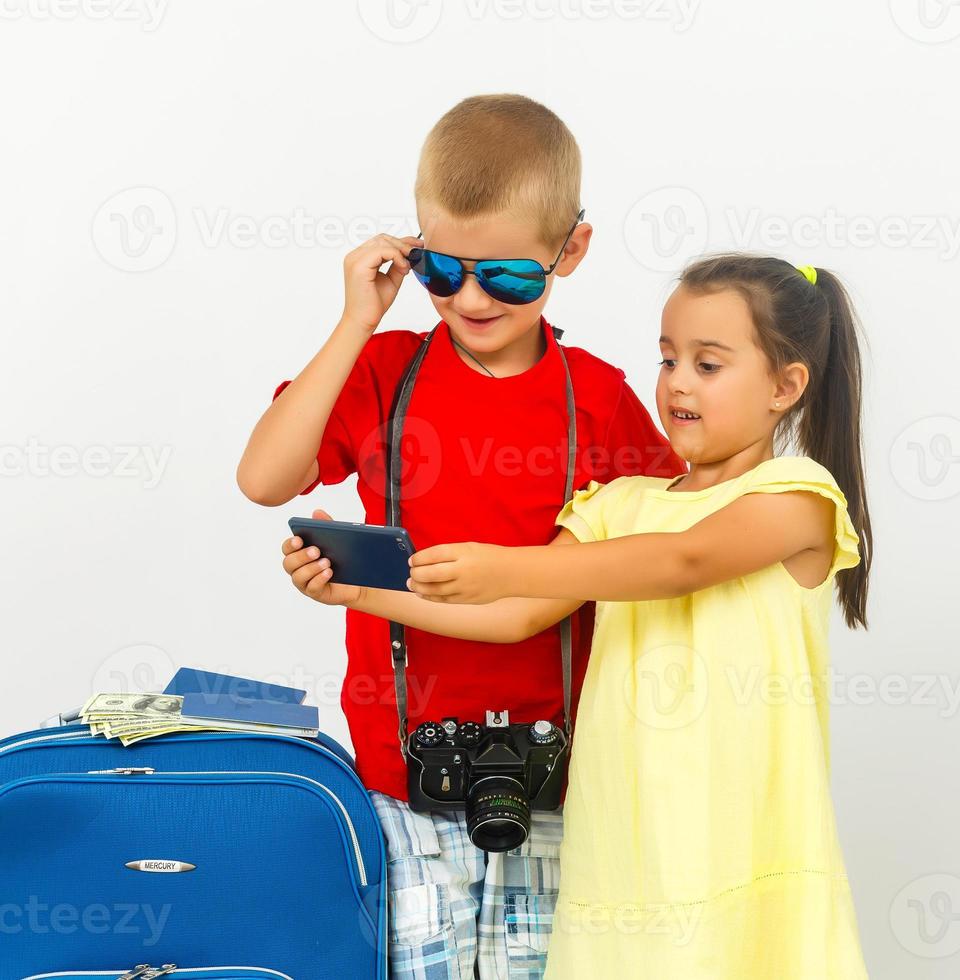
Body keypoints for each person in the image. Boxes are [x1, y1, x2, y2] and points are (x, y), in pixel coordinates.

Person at [283, 253, 873, 978]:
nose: (678, 381)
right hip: (624, 851)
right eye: (667, 359)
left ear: (785, 386)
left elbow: (678, 562)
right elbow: (516, 616)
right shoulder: (619, 502)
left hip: (745, 842)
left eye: (708, 364)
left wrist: (504, 563)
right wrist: (359, 593)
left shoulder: (798, 498)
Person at [239, 94, 685, 980]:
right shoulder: (383, 370)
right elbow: (264, 479)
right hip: (399, 782)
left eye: (509, 277)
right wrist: (357, 319)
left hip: (563, 780)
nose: (472, 298)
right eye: (443, 269)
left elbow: (630, 566)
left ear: (571, 252)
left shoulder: (597, 398)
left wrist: (359, 590)